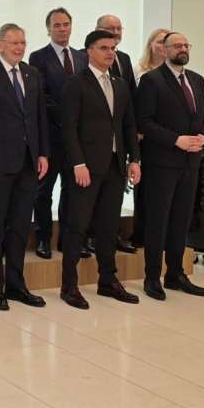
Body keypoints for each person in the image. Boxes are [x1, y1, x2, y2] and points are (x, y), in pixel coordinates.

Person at [59, 30, 142, 310]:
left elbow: (128, 125)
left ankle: (108, 280)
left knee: (108, 226)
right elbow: (68, 127)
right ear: (89, 51)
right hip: (86, 167)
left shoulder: (120, 84)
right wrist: (78, 163)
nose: (110, 53)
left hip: (115, 166)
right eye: (104, 48)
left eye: (113, 48)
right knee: (77, 226)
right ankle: (69, 285)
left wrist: (134, 159)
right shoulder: (75, 84)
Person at [0, 23, 49, 311]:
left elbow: (39, 117)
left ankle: (16, 285)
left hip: (28, 161)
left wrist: (43, 153)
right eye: (14, 42)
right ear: (0, 44)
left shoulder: (32, 73)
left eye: (23, 43)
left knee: (20, 226)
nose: (19, 48)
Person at [136, 31, 204, 300]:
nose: (182, 49)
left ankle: (175, 274)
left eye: (185, 45)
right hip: (162, 162)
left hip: (191, 162)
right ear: (164, 50)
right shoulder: (151, 81)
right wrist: (175, 140)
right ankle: (152, 277)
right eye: (176, 45)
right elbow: (144, 122)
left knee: (181, 220)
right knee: (158, 221)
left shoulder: (197, 80)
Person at [28, 7, 86, 260]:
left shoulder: (82, 57)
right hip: (50, 136)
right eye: (57, 25)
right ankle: (43, 238)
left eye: (66, 24)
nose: (62, 29)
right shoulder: (38, 57)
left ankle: (67, 240)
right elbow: (40, 96)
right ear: (48, 29)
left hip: (77, 140)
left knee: (72, 191)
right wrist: (68, 117)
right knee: (44, 191)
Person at [93, 14, 140, 254]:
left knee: (113, 201)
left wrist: (133, 146)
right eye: (110, 28)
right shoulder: (85, 63)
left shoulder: (124, 59)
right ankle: (90, 238)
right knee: (90, 201)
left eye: (119, 28)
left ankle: (112, 240)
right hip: (93, 145)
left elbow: (130, 100)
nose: (115, 31)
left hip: (119, 143)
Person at [130, 27, 170, 250]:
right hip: (144, 135)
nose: (163, 46)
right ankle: (141, 233)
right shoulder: (138, 70)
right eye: (159, 41)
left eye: (166, 42)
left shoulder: (173, 72)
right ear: (150, 45)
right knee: (143, 187)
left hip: (165, 139)